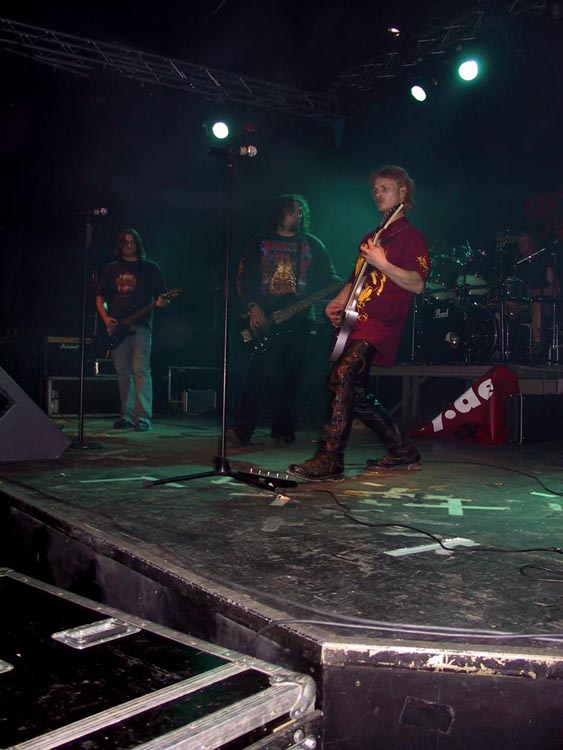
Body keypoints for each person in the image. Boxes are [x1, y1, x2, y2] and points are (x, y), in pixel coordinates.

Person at [288, 166, 430, 482]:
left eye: (385, 188)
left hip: (380, 322)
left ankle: (330, 459)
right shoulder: (372, 237)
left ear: (403, 191)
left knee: (342, 375)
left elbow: (417, 283)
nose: (378, 194)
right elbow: (358, 278)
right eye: (375, 189)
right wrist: (338, 300)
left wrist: (383, 262)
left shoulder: (410, 237)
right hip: (356, 319)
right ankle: (402, 450)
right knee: (354, 391)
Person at [227, 194, 339, 447]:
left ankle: (284, 431)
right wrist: (253, 307)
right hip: (262, 318)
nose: (298, 215)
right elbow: (242, 280)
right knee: (255, 375)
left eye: (301, 211)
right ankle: (241, 429)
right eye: (293, 210)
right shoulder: (259, 242)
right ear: (280, 213)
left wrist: (349, 281)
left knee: (291, 377)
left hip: (299, 320)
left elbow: (329, 278)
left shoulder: (313, 244)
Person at [96, 228, 169, 431]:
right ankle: (126, 416)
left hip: (141, 326)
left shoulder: (150, 268)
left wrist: (163, 302)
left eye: (132, 242)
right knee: (122, 372)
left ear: (138, 244)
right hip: (117, 327)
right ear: (120, 245)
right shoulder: (111, 269)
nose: (129, 245)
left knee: (140, 370)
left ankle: (143, 417)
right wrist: (106, 318)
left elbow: (164, 298)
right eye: (125, 242)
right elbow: (100, 297)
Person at [509, 229, 561, 360]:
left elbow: (557, 288)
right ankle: (500, 348)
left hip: (542, 304)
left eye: (524, 241)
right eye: (519, 242)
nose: (520, 244)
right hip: (521, 302)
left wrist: (538, 292)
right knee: (503, 305)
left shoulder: (542, 263)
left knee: (536, 303)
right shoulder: (517, 265)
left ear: (532, 244)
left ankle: (536, 347)